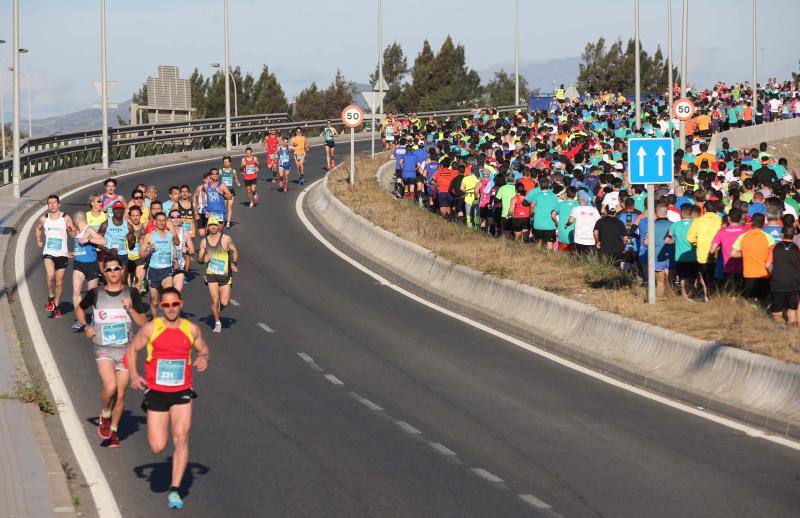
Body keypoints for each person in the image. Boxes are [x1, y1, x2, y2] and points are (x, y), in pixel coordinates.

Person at [126, 288, 209, 509]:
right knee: (158, 447)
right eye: (166, 305)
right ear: (161, 307)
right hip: (156, 392)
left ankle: (174, 489)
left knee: (181, 437)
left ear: (180, 304)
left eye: (174, 304)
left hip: (182, 391)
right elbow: (132, 350)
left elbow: (203, 349)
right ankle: (159, 440)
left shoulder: (191, 329)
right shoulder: (152, 328)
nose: (171, 309)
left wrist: (203, 358)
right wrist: (134, 374)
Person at [75, 256, 148, 448]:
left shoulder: (131, 293)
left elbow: (143, 323)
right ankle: (106, 414)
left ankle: (113, 431)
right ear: (104, 273)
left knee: (121, 394)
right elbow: (80, 309)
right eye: (109, 269)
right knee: (110, 387)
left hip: (126, 349)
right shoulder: (96, 293)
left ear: (121, 271)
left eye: (117, 268)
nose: (114, 272)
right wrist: (85, 326)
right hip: (104, 348)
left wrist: (131, 310)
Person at [34, 195, 75, 318]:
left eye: (54, 202)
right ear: (48, 205)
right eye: (50, 203)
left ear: (59, 204)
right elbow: (38, 229)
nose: (52, 205)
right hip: (49, 252)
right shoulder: (44, 218)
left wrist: (70, 228)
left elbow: (73, 235)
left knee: (59, 282)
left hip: (62, 253)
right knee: (50, 275)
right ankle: (51, 297)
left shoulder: (65, 217)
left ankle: (56, 306)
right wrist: (38, 240)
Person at [197, 216, 238, 333]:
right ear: (208, 227)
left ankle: (219, 308)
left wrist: (234, 263)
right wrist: (204, 258)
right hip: (211, 274)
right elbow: (200, 259)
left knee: (224, 302)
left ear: (219, 226)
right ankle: (217, 322)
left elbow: (234, 250)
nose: (213, 227)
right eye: (211, 225)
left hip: (225, 274)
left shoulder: (226, 239)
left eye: (215, 225)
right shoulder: (204, 241)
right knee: (215, 300)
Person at [140, 212, 180, 316]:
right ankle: (155, 321)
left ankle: (167, 319)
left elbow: (176, 244)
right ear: (155, 222)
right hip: (154, 270)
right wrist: (149, 250)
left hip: (167, 270)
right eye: (159, 220)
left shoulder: (169, 235)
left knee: (167, 296)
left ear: (166, 222)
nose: (161, 223)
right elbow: (141, 254)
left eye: (163, 220)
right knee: (154, 301)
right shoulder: (149, 236)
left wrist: (175, 258)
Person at [71, 211, 105, 331]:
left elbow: (103, 241)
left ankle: (96, 318)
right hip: (79, 264)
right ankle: (79, 319)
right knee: (76, 290)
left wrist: (89, 238)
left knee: (92, 295)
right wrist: (74, 253)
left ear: (77, 220)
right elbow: (81, 248)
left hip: (91, 265)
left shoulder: (88, 229)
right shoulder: (79, 232)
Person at [730, 212, 775, 304]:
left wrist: (746, 254)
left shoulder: (743, 236)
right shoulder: (769, 237)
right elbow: (773, 255)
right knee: (762, 301)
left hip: (749, 273)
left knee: (748, 301)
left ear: (751, 223)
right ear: (763, 224)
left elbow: (733, 254)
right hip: (764, 274)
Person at [765, 225, 800, 325]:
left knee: (777, 312)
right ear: (794, 235)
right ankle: (792, 334)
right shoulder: (797, 248)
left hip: (778, 283)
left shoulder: (775, 247)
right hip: (793, 283)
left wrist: (773, 273)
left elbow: (767, 265)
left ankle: (780, 330)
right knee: (792, 310)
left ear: (781, 234)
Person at [665, 204, 699, 300]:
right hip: (694, 256)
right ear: (691, 213)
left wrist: (675, 241)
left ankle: (684, 294)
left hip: (680, 256)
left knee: (682, 277)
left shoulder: (675, 225)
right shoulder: (696, 224)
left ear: (682, 213)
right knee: (693, 276)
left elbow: (667, 240)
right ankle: (692, 292)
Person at [169, 210, 195, 292]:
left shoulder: (185, 233)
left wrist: (187, 250)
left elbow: (192, 251)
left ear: (181, 219)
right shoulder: (165, 232)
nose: (175, 219)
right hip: (166, 266)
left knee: (176, 293)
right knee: (167, 293)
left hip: (179, 267)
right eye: (173, 217)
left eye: (178, 217)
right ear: (169, 219)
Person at [567, 190, 600, 254]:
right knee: (589, 259)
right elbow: (599, 222)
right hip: (591, 240)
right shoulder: (594, 210)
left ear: (580, 199)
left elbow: (570, 220)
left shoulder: (576, 209)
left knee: (579, 258)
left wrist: (566, 224)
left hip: (579, 239)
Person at [126, 206, 148, 293]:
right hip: (127, 259)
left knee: (138, 284)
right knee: (127, 287)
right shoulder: (125, 227)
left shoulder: (144, 227)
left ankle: (136, 304)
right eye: (133, 215)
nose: (135, 217)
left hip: (140, 258)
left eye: (137, 215)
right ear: (130, 216)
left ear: (141, 215)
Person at [219, 156, 241, 228]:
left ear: (230, 162)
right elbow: (215, 179)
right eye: (224, 162)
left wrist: (238, 183)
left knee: (229, 207)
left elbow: (236, 178)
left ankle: (228, 222)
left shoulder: (233, 171)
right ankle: (222, 220)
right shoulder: (221, 171)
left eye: (227, 162)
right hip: (223, 192)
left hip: (231, 191)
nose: (226, 163)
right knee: (223, 207)